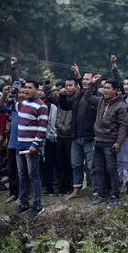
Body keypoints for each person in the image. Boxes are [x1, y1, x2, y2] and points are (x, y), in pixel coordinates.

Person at [55, 64, 98, 199]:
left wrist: (78, 75)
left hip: (89, 137)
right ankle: (76, 190)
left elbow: (88, 90)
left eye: (87, 79)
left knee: (92, 166)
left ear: (94, 81)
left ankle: (97, 191)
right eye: (83, 79)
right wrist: (62, 96)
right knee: (76, 165)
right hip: (75, 137)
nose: (85, 81)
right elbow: (66, 106)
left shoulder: (96, 96)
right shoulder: (79, 96)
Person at [85, 75, 127, 209]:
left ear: (116, 90)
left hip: (110, 143)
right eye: (104, 88)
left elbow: (123, 126)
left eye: (108, 88)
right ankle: (101, 196)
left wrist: (119, 143)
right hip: (98, 141)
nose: (105, 90)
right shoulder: (101, 101)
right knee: (98, 169)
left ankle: (115, 196)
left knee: (111, 170)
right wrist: (92, 84)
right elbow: (87, 97)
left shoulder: (121, 106)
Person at [15, 78, 48, 216]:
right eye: (25, 87)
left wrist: (35, 144)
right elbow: (9, 104)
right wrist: (12, 92)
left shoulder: (41, 106)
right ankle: (23, 203)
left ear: (36, 89)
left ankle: (37, 204)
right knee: (22, 175)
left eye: (30, 88)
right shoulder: (21, 104)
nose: (27, 90)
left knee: (33, 175)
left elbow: (42, 128)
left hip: (31, 148)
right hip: (20, 145)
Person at [44, 71, 77, 195]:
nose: (67, 88)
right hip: (60, 135)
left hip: (71, 136)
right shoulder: (60, 99)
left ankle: (71, 187)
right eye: (66, 85)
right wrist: (47, 81)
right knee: (60, 163)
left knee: (70, 163)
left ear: (76, 87)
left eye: (70, 85)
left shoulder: (77, 99)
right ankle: (61, 187)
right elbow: (48, 94)